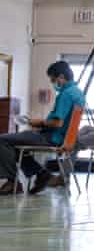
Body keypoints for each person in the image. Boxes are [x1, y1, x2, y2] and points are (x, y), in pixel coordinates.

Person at [0, 61, 85, 195]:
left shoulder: (66, 94)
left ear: (61, 77)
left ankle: (13, 183)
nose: (53, 83)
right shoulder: (78, 93)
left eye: (53, 79)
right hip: (61, 137)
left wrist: (39, 122)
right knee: (13, 146)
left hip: (52, 138)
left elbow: (58, 123)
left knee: (2, 140)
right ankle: (42, 175)